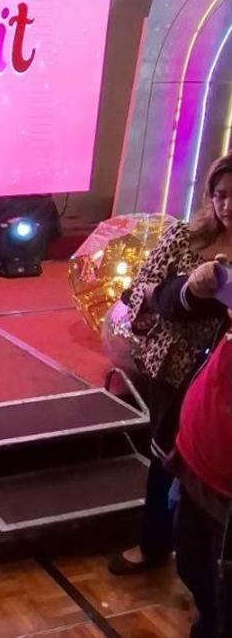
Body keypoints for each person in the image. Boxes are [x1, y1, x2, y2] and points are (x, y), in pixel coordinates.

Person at [112, 151, 232, 575]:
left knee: (208, 468)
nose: (227, 205)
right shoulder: (185, 236)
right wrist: (176, 294)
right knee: (164, 457)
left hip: (222, 379)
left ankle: (202, 555)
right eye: (220, 194)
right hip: (174, 367)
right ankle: (154, 543)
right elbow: (141, 290)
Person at [145, 212, 232, 634]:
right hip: (197, 456)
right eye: (220, 194)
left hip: (225, 484)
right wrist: (191, 288)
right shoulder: (190, 237)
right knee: (195, 565)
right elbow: (158, 295)